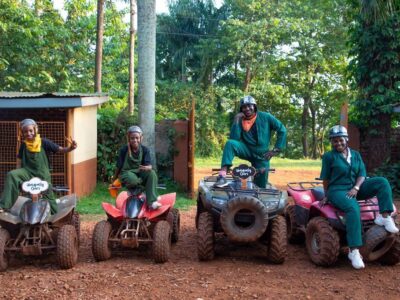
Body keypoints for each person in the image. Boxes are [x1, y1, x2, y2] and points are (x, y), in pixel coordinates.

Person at [320, 125, 398, 270]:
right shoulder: (329, 157)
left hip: (355, 187)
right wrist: (327, 195)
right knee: (352, 206)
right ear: (331, 142)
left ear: (346, 139)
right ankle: (354, 250)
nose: (338, 143)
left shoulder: (355, 154)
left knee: (382, 182)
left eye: (341, 140)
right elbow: (325, 178)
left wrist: (356, 188)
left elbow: (362, 173)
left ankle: (384, 216)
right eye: (334, 141)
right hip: (337, 190)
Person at [0, 118, 77, 214]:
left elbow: (60, 149)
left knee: (48, 197)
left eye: (30, 130)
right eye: (25, 132)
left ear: (35, 130)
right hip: (27, 172)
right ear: (22, 133)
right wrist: (18, 176)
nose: (28, 133)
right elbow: (19, 160)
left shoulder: (44, 142)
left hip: (42, 175)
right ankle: (4, 206)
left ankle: (54, 216)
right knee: (12, 174)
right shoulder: (24, 145)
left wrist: (71, 148)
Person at [214, 95, 287, 188]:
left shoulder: (266, 117)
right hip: (246, 150)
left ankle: (257, 189)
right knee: (230, 143)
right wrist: (236, 120)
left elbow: (282, 130)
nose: (247, 108)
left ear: (254, 106)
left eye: (249, 105)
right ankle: (222, 176)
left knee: (261, 184)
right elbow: (234, 139)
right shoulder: (240, 120)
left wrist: (276, 150)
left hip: (262, 156)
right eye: (244, 107)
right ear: (241, 109)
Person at [113, 125, 161, 209]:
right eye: (132, 138)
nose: (135, 140)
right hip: (127, 173)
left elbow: (148, 165)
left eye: (137, 138)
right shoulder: (124, 150)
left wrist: (149, 168)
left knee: (152, 173)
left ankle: (152, 202)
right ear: (128, 138)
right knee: (133, 180)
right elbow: (119, 166)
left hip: (139, 172)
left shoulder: (145, 150)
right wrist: (114, 180)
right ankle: (145, 191)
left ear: (141, 138)